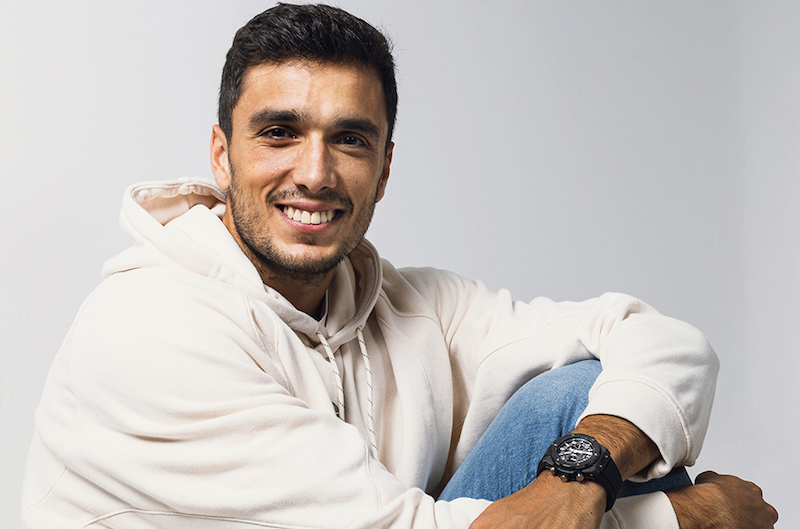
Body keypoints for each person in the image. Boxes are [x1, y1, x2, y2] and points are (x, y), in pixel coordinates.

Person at [21, 4, 777, 528]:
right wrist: (686, 517)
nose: (314, 173)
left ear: (384, 167)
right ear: (222, 155)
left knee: (587, 395)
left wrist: (583, 469)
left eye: (349, 139)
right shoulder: (149, 330)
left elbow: (662, 340)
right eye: (280, 133)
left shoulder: (407, 304)